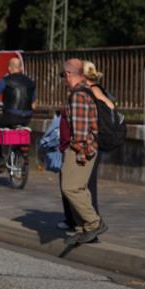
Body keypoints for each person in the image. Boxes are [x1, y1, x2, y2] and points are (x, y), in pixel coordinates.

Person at [57, 60, 113, 231]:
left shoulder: (78, 95)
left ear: (68, 74)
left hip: (79, 150)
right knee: (80, 189)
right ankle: (84, 226)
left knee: (70, 188)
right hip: (85, 148)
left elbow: (80, 132)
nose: (64, 81)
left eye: (63, 76)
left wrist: (79, 153)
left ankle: (93, 222)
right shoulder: (85, 91)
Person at [0, 57, 36, 162]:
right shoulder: (30, 82)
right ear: (20, 68)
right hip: (27, 117)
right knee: (18, 131)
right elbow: (34, 105)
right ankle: (18, 151)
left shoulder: (5, 81)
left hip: (11, 116)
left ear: (9, 69)